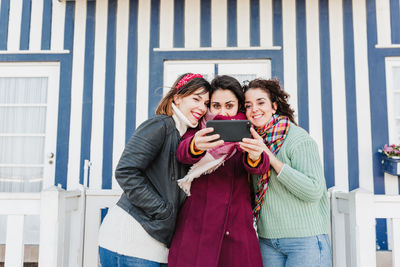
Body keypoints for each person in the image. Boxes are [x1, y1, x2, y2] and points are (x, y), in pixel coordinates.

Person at [97, 73, 211, 266]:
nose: (202, 108)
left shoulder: (184, 137)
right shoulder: (160, 125)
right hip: (129, 241)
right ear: (177, 97)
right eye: (196, 99)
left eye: (206, 103)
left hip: (154, 246)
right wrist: (162, 210)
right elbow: (126, 171)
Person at [168, 75, 269, 267]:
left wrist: (255, 156)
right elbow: (182, 152)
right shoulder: (199, 129)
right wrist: (196, 145)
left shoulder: (248, 131)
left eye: (229, 106)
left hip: (236, 227)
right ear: (209, 106)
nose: (222, 112)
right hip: (198, 225)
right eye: (216, 105)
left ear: (238, 106)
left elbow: (261, 166)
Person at [242, 78, 332, 267]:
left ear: (274, 106)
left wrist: (269, 157)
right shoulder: (251, 142)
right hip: (267, 240)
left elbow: (313, 190)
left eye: (261, 102)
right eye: (248, 105)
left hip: (304, 241)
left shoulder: (298, 139)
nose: (254, 109)